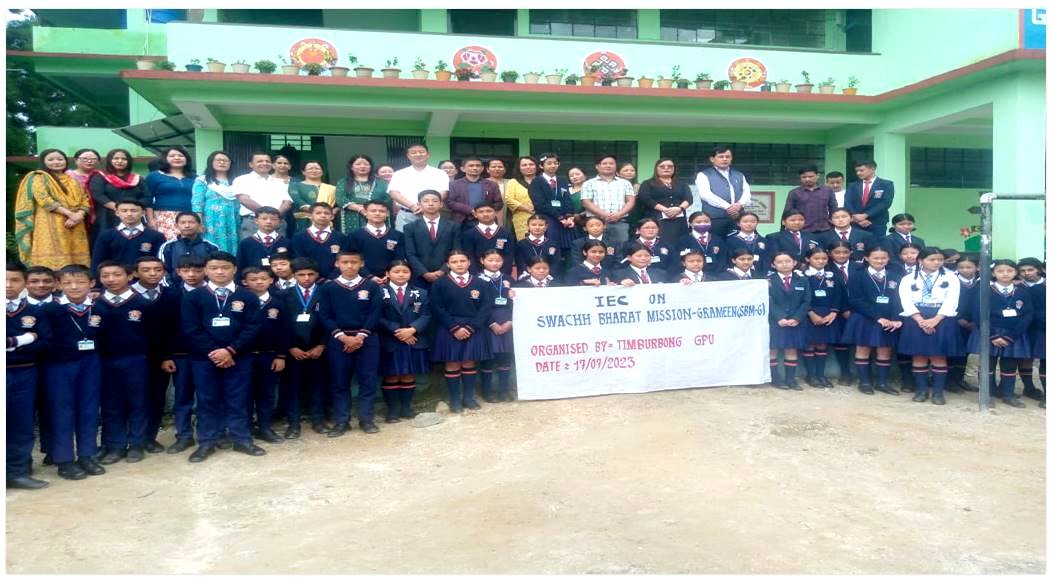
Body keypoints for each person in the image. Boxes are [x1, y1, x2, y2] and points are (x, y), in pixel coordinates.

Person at [181, 251, 265, 463]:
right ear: (206, 270)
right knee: (207, 400)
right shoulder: (194, 297)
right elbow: (191, 328)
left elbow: (253, 327)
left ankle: (241, 439)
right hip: (204, 359)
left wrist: (230, 350)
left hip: (239, 357)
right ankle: (207, 441)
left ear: (235, 269)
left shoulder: (247, 296)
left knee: (238, 399)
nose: (220, 272)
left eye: (225, 267)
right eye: (214, 268)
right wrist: (215, 352)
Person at [40, 264, 104, 480]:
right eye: (67, 283)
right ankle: (64, 459)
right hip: (59, 366)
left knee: (89, 409)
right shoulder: (50, 309)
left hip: (90, 363)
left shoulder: (99, 307)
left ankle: (87, 455)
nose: (74, 287)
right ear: (58, 285)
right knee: (62, 411)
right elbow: (45, 340)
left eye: (80, 282)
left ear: (91, 283)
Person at [93, 260, 154, 464]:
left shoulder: (143, 303)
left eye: (117, 274)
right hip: (105, 361)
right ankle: (114, 445)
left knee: (138, 402)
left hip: (136, 360)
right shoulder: (95, 304)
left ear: (129, 276)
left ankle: (137, 443)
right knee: (111, 404)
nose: (111, 279)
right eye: (105, 276)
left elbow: (153, 335)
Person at [316, 250, 384, 436]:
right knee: (339, 382)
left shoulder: (371, 286)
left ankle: (366, 420)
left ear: (361, 264)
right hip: (339, 340)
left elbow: (375, 313)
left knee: (367, 381)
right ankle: (342, 421)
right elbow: (325, 315)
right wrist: (343, 337)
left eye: (354, 262)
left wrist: (360, 337)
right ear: (337, 264)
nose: (349, 266)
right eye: (345, 262)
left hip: (367, 339)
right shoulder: (328, 287)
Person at [429, 250, 495, 413]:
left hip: (473, 327)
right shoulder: (440, 283)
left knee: (469, 362)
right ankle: (455, 400)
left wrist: (471, 327)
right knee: (452, 363)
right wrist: (455, 328)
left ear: (469, 262)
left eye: (462, 261)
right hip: (449, 328)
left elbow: (486, 308)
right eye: (454, 261)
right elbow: (437, 308)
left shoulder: (481, 283)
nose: (459, 264)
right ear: (448, 264)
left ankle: (468, 398)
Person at [6, 260, 51, 490]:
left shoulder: (34, 311)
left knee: (21, 424)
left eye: (14, 280)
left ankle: (17, 472)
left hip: (25, 372)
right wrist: (24, 339)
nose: (8, 285)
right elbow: (32, 338)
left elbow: (45, 342)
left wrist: (12, 344)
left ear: (24, 283)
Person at [897, 247, 962, 405]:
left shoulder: (951, 277)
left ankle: (938, 393)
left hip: (941, 317)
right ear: (921, 260)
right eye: (932, 259)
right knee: (919, 355)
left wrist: (936, 319)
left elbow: (952, 300)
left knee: (938, 356)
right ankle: (922, 390)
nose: (936, 262)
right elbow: (905, 300)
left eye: (940, 260)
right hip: (916, 317)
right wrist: (920, 320)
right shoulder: (908, 278)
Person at [966, 259, 1033, 408]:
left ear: (1016, 273)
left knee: (1010, 365)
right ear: (993, 273)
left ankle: (1007, 394)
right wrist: (992, 335)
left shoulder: (1023, 292)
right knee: (987, 364)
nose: (1005, 274)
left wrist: (1011, 336)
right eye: (1000, 271)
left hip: (1013, 334)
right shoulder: (984, 291)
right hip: (989, 333)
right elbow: (977, 314)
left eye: (1009, 271)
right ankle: (987, 394)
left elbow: (1028, 316)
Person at [158, 255, 207, 454]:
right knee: (183, 397)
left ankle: (209, 435)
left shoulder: (213, 293)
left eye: (197, 270)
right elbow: (163, 328)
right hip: (181, 355)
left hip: (207, 355)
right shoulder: (170, 295)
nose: (192, 274)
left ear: (205, 270)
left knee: (208, 397)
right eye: (186, 270)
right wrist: (166, 355)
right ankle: (184, 436)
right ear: (178, 272)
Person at [13, 149, 91, 270]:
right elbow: (44, 199)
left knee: (75, 258)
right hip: (50, 222)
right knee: (52, 256)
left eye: (60, 159)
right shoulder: (38, 177)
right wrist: (70, 214)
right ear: (43, 162)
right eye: (51, 159)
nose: (56, 162)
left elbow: (84, 199)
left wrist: (79, 215)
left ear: (66, 161)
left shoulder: (72, 180)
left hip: (75, 223)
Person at [841, 246, 903, 395]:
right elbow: (856, 300)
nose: (880, 261)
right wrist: (878, 317)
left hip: (888, 320)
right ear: (867, 258)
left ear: (888, 258)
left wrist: (896, 319)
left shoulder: (895, 276)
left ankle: (882, 383)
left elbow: (899, 300)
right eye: (876, 258)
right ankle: (864, 383)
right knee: (863, 350)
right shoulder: (857, 276)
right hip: (864, 318)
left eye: (883, 258)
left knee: (885, 350)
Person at [377, 260, 432, 421]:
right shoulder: (379, 292)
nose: (401, 274)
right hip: (389, 339)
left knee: (409, 374)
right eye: (396, 271)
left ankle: (406, 408)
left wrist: (412, 329)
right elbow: (376, 315)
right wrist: (397, 330)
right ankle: (392, 410)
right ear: (387, 273)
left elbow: (427, 315)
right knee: (391, 375)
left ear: (410, 274)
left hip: (414, 338)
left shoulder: (421, 292)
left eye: (405, 271)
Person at [282, 257, 329, 438]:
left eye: (311, 274)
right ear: (294, 275)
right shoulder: (284, 294)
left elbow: (331, 320)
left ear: (317, 275)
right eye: (301, 274)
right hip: (294, 350)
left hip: (318, 348)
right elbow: (281, 324)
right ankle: (293, 424)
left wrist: (322, 345)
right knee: (292, 387)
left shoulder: (325, 292)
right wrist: (290, 347)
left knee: (318, 385)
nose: (307, 278)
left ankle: (318, 421)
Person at [240, 267, 288, 444]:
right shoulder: (238, 302)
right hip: (243, 356)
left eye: (262, 278)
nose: (259, 282)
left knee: (266, 394)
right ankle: (245, 427)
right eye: (253, 279)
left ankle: (265, 427)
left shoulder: (278, 303)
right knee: (244, 394)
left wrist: (281, 356)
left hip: (268, 356)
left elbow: (284, 331)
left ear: (271, 281)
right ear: (245, 282)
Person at [129, 255, 169, 453]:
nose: (152, 274)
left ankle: (149, 438)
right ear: (135, 273)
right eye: (146, 270)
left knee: (156, 397)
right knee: (131, 399)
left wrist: (167, 356)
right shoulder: (126, 295)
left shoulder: (172, 294)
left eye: (157, 270)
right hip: (131, 357)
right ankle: (128, 440)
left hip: (160, 357)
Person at [800, 247, 846, 388]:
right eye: (816, 258)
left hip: (828, 315)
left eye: (824, 258)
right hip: (808, 314)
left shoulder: (833, 275)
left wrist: (833, 313)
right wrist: (811, 313)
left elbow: (839, 295)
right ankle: (811, 375)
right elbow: (800, 297)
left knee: (822, 344)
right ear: (808, 259)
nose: (820, 261)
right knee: (809, 345)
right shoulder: (802, 276)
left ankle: (821, 375)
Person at [768, 251, 811, 390]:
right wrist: (779, 317)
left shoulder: (802, 280)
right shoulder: (768, 281)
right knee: (772, 350)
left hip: (795, 322)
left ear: (794, 263)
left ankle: (791, 380)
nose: (784, 264)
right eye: (779, 262)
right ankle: (775, 379)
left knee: (791, 350)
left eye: (787, 261)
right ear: (773, 265)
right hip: (775, 322)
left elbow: (806, 301)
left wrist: (797, 318)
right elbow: (768, 301)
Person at [478, 250, 516, 402]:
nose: (494, 263)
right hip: (487, 321)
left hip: (507, 320)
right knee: (488, 358)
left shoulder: (508, 278)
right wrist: (491, 323)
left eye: (498, 260)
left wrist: (511, 321)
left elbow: (516, 302)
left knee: (505, 357)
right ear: (482, 260)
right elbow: (477, 305)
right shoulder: (476, 279)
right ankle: (487, 392)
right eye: (490, 260)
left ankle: (504, 391)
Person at [89, 148, 150, 240]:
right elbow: (98, 195)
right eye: (116, 158)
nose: (120, 161)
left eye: (124, 159)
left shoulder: (137, 178)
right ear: (109, 160)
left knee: (135, 241)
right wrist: (120, 209)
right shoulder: (100, 177)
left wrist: (132, 209)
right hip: (107, 216)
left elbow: (147, 196)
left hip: (133, 216)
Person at [90, 199, 166, 273]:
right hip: (115, 278)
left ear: (143, 213)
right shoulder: (106, 236)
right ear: (117, 213)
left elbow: (160, 262)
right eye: (124, 211)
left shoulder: (156, 236)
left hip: (145, 279)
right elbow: (97, 262)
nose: (129, 214)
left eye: (134, 211)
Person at [387, 144, 450, 232]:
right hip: (406, 215)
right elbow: (394, 193)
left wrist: (426, 205)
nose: (418, 154)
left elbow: (444, 192)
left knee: (431, 239)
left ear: (428, 154)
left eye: (421, 152)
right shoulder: (399, 173)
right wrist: (412, 206)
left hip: (432, 215)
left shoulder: (440, 173)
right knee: (404, 239)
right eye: (413, 152)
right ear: (408, 156)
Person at [404, 190, 460, 288]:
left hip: (447, 275)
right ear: (419, 204)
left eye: (435, 201)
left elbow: (456, 251)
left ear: (441, 204)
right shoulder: (410, 227)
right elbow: (410, 254)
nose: (430, 204)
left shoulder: (453, 226)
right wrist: (424, 272)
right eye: (426, 201)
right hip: (419, 277)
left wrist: (443, 270)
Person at [693, 146, 752, 239]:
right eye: (721, 157)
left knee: (737, 244)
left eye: (728, 157)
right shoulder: (703, 175)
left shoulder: (739, 175)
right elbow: (706, 195)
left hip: (737, 218)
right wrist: (728, 207)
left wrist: (739, 204)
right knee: (716, 244)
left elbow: (746, 192)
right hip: (715, 219)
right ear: (712, 159)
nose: (725, 159)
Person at [233, 152, 294, 239]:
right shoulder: (242, 179)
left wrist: (275, 216)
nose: (264, 163)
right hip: (253, 222)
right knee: (252, 247)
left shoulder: (278, 181)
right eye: (260, 161)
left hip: (278, 222)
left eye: (267, 161)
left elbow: (287, 202)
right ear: (251, 164)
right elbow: (244, 200)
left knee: (280, 247)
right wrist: (266, 216)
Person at [581, 154, 636, 246]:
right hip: (596, 223)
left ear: (615, 166)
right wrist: (605, 215)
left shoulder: (625, 183)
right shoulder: (588, 183)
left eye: (611, 163)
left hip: (620, 222)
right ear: (597, 166)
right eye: (605, 163)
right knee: (596, 247)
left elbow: (631, 201)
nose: (608, 165)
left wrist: (618, 214)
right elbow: (586, 202)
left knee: (621, 248)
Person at [191, 150, 241, 254]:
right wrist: (199, 223)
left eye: (225, 161)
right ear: (211, 162)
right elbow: (197, 204)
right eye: (218, 160)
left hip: (233, 219)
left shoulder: (237, 181)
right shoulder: (203, 180)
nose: (222, 162)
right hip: (211, 220)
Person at [528, 153, 577, 255]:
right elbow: (540, 204)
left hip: (565, 219)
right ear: (541, 166)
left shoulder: (562, 180)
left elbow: (567, 199)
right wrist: (559, 217)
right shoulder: (536, 182)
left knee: (569, 247)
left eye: (555, 163)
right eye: (549, 163)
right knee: (551, 247)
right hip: (547, 217)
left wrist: (569, 217)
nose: (553, 165)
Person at [145, 146, 196, 240]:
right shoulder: (154, 176)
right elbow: (148, 200)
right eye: (172, 156)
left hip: (189, 217)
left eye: (181, 155)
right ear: (165, 159)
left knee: (189, 244)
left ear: (186, 159)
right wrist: (150, 220)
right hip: (164, 217)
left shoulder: (195, 178)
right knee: (167, 244)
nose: (177, 158)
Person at [827, 241, 860, 386]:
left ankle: (865, 375)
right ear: (830, 253)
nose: (841, 255)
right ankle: (845, 373)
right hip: (837, 312)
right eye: (837, 252)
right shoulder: (826, 268)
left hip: (859, 310)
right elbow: (831, 294)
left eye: (845, 252)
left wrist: (853, 309)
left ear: (851, 252)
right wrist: (843, 309)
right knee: (841, 343)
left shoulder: (859, 267)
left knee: (863, 343)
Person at [637, 158, 692, 244]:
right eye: (662, 166)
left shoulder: (682, 184)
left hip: (679, 218)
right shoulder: (647, 183)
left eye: (670, 166)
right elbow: (646, 199)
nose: (666, 168)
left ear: (674, 168)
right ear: (656, 168)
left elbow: (689, 199)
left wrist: (679, 208)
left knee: (680, 242)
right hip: (657, 218)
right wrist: (665, 210)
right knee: (661, 243)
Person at [334, 154, 393, 234]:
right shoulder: (343, 182)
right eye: (358, 164)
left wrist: (372, 209)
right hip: (350, 215)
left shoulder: (380, 182)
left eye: (366, 164)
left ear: (370, 167)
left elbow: (387, 199)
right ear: (351, 167)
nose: (362, 166)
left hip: (376, 214)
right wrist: (360, 209)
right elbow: (340, 199)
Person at [291, 202, 350, 280]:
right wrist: (315, 278)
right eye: (318, 213)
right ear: (310, 216)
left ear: (332, 216)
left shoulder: (340, 237)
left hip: (335, 280)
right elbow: (300, 260)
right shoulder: (299, 237)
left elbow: (343, 260)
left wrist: (332, 278)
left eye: (326, 213)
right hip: (309, 280)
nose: (323, 215)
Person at [348, 201, 406, 281]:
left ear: (387, 213)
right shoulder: (355, 236)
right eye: (373, 211)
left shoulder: (398, 235)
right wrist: (369, 276)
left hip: (391, 279)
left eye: (382, 211)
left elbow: (399, 258)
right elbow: (353, 259)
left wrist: (390, 275)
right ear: (365, 213)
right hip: (362, 279)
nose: (377, 213)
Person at [947, 254, 980, 393]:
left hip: (974, 323)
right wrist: (958, 318)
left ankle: (959, 379)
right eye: (961, 267)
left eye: (969, 267)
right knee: (953, 351)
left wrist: (975, 321)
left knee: (966, 353)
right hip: (954, 321)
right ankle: (949, 381)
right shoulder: (950, 281)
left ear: (977, 267)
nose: (965, 270)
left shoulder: (982, 282)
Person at [157, 212, 220, 282]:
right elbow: (162, 270)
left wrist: (206, 287)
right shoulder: (168, 246)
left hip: (204, 287)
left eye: (191, 222)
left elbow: (215, 270)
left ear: (199, 225)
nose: (187, 225)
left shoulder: (211, 247)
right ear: (176, 225)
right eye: (183, 223)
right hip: (174, 287)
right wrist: (171, 287)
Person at [1016, 257, 1046, 406]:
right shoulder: (1017, 287)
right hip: (1025, 328)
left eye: (1030, 270)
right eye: (1022, 270)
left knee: (1045, 360)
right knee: (1026, 358)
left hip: (1044, 328)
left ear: (1039, 270)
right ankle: (1029, 388)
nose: (1027, 273)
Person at [460, 201, 515, 277]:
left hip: (501, 276)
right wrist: (477, 276)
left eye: (489, 211)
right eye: (481, 212)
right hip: (477, 276)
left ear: (496, 213)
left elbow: (509, 257)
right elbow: (470, 256)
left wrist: (502, 275)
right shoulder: (468, 234)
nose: (485, 214)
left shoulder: (506, 234)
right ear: (475, 214)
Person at [447, 156, 503, 230]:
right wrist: (469, 210)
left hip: (485, 221)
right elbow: (450, 202)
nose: (475, 168)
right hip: (461, 221)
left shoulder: (492, 185)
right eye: (471, 166)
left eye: (478, 165)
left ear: (482, 168)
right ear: (463, 169)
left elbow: (499, 203)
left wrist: (484, 211)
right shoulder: (454, 184)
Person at [235, 207, 292, 276]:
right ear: (256, 221)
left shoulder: (287, 242)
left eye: (273, 219)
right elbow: (240, 265)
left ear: (279, 221)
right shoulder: (245, 243)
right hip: (255, 279)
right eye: (264, 219)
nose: (269, 222)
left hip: (280, 280)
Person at [845, 160, 895, 236]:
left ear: (872, 169)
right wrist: (857, 217)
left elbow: (885, 203)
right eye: (857, 171)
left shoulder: (886, 184)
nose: (858, 173)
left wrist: (866, 215)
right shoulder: (852, 185)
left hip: (877, 222)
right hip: (856, 222)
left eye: (861, 170)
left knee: (877, 243)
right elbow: (848, 202)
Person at [784, 165, 837, 234]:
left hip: (825, 230)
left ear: (817, 176)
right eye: (804, 177)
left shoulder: (827, 191)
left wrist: (833, 226)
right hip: (802, 231)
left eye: (810, 176)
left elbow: (834, 209)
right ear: (800, 178)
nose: (807, 179)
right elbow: (788, 212)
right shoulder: (794, 193)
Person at [288, 161, 337, 232]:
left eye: (317, 168)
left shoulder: (332, 188)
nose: (314, 171)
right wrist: (316, 211)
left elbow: (339, 204)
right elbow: (297, 200)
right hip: (304, 222)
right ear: (303, 172)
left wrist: (333, 211)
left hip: (326, 220)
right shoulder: (295, 186)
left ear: (322, 172)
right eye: (310, 168)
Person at [504, 156, 539, 240]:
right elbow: (508, 199)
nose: (528, 167)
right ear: (519, 168)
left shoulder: (542, 181)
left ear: (536, 166)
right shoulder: (513, 182)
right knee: (524, 242)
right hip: (521, 218)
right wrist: (526, 208)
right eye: (524, 165)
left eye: (531, 164)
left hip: (541, 217)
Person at [485, 159, 510, 228]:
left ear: (505, 170)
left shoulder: (511, 183)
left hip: (507, 215)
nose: (497, 169)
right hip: (487, 215)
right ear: (487, 169)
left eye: (500, 167)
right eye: (493, 167)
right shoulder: (482, 183)